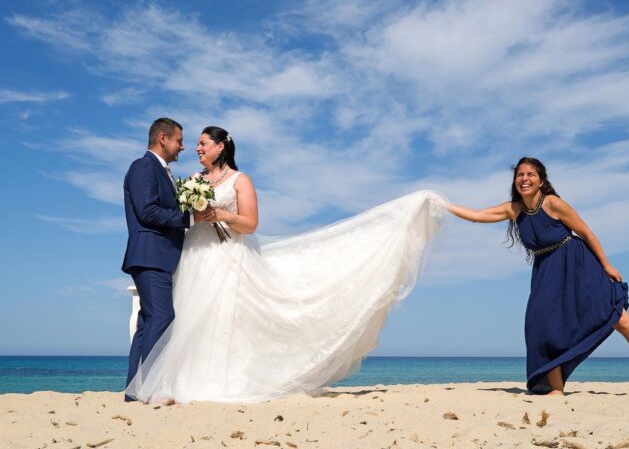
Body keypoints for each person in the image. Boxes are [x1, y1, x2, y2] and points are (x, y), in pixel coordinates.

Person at [125, 126, 447, 403]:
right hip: (194, 257)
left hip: (226, 258)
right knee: (187, 317)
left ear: (220, 147)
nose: (196, 148)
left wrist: (220, 214)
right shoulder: (193, 179)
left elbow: (250, 224)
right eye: (194, 144)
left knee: (222, 318)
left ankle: (217, 382)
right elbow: (183, 215)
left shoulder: (240, 180)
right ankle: (175, 383)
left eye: (203, 143)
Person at [448, 157, 629, 395]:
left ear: (541, 180)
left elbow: (585, 232)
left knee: (617, 316)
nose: (524, 179)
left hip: (578, 265)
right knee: (540, 325)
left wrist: (606, 265)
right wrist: (444, 205)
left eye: (530, 174)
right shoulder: (513, 209)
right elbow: (476, 215)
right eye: (520, 175)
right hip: (546, 271)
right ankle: (557, 387)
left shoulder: (553, 203)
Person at [122, 118, 190, 401]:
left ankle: (134, 392)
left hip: (158, 257)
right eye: (179, 140)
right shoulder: (143, 166)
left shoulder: (164, 172)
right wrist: (189, 217)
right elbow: (147, 211)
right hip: (150, 255)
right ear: (163, 139)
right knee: (163, 316)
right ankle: (149, 388)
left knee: (147, 322)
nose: (182, 147)